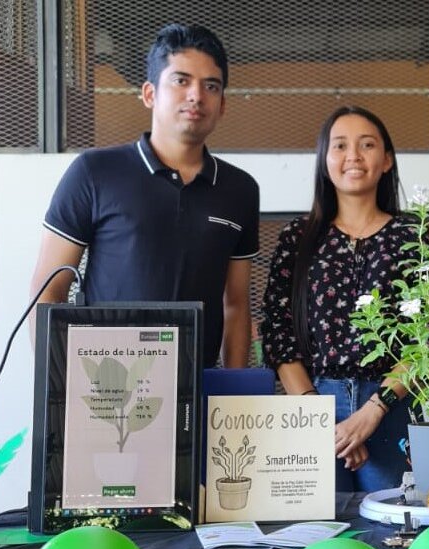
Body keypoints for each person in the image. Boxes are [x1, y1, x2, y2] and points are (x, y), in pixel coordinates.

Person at [29, 24, 258, 369]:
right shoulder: (94, 172)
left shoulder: (239, 189)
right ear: (150, 93)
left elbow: (236, 304)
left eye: (211, 86)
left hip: (198, 391)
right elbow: (48, 290)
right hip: (106, 390)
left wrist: (235, 398)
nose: (197, 95)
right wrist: (59, 390)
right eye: (181, 81)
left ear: (222, 104)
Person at [261, 106, 417, 492]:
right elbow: (279, 335)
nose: (354, 156)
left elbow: (425, 339)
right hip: (312, 403)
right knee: (319, 533)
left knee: (393, 532)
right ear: (324, 160)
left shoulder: (411, 237)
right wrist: (322, 422)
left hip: (390, 407)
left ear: (387, 160)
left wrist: (370, 414)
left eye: (367, 145)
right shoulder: (297, 238)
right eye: (340, 146)